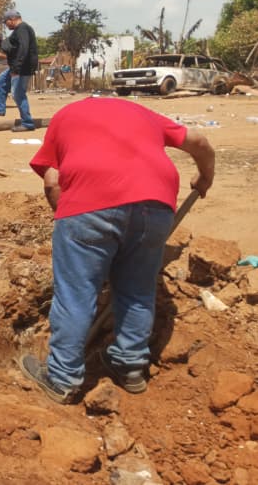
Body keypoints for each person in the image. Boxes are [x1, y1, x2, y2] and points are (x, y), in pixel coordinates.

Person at [18, 98, 215, 404]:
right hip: (156, 204)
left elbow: (52, 181)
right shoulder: (142, 113)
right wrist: (205, 177)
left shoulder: (64, 117)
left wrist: (72, 220)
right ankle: (130, 368)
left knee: (76, 293)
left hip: (89, 200)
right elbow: (199, 141)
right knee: (137, 290)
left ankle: (62, 378)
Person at [0, 9, 38, 131]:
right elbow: (11, 48)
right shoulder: (19, 31)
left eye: (6, 22)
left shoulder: (22, 29)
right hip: (17, 67)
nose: (6, 25)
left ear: (12, 19)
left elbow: (23, 48)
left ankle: (27, 123)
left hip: (22, 68)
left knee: (18, 94)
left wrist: (17, 67)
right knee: (2, 81)